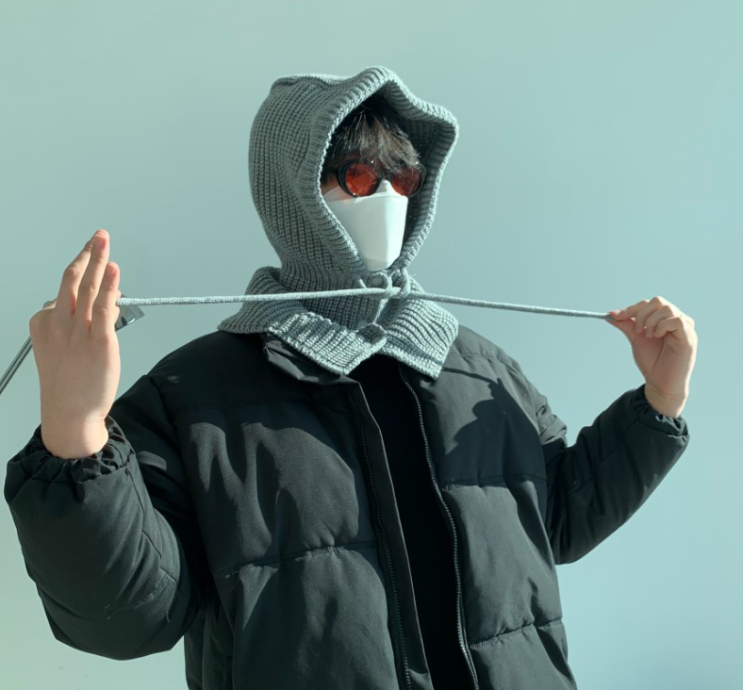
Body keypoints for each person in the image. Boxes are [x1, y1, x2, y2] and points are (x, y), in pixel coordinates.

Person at [5, 66, 695, 690]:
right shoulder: (190, 397)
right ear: (293, 192)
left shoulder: (480, 367)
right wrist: (77, 433)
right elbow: (128, 617)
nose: (388, 199)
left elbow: (558, 518)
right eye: (360, 179)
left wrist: (657, 404)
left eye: (404, 180)